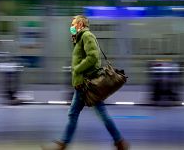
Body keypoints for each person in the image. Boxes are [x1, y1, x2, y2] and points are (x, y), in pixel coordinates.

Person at [42, 15, 129, 150]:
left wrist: (77, 68)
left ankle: (119, 141)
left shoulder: (87, 36)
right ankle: (119, 142)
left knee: (90, 114)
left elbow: (93, 57)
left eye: (73, 24)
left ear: (80, 24)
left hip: (87, 84)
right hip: (82, 84)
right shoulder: (80, 38)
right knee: (80, 114)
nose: (71, 26)